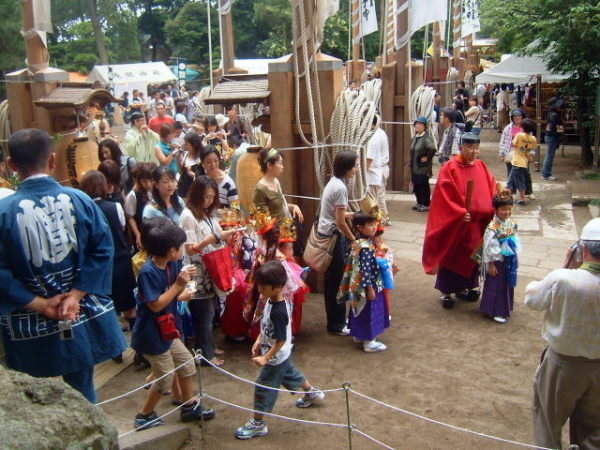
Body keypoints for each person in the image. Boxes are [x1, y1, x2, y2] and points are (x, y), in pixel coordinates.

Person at [0, 129, 125, 402]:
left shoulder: (5, 211)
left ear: (12, 165)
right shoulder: (80, 200)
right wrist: (77, 293)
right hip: (76, 310)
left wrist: (39, 303)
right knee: (83, 389)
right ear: (53, 160)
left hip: (28, 317)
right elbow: (103, 249)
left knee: (31, 396)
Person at [131, 217, 215, 430]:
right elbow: (155, 305)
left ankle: (188, 406)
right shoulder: (149, 272)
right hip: (151, 334)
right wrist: (179, 286)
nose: (181, 251)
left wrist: (182, 293)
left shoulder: (170, 265)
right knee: (164, 378)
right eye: (179, 248)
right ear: (171, 250)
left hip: (168, 331)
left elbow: (166, 298)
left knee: (186, 363)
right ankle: (144, 415)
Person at [524, 218, 600, 450]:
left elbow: (532, 299)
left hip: (563, 364)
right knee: (594, 426)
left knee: (548, 422)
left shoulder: (564, 279)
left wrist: (565, 267)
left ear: (582, 249)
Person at [234, 261, 325, 440]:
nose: (259, 289)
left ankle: (258, 423)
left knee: (263, 387)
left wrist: (265, 358)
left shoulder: (279, 311)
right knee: (289, 373)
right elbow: (266, 324)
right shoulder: (269, 300)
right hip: (278, 354)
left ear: (277, 287)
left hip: (275, 356)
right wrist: (260, 339)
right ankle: (311, 393)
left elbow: (281, 339)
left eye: (263, 286)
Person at [422, 131, 497, 309]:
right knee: (452, 254)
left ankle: (467, 286)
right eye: (470, 147)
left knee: (474, 255)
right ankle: (446, 291)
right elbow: (443, 196)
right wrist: (459, 212)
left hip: (477, 224)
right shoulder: (450, 167)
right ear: (461, 147)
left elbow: (491, 185)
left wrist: (497, 203)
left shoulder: (481, 166)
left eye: (477, 148)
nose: (474, 151)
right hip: (458, 224)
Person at [179, 176, 237, 366]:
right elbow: (189, 249)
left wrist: (227, 235)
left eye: (212, 197)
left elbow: (217, 236)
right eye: (206, 197)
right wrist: (210, 240)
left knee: (210, 312)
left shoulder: (207, 213)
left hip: (212, 269)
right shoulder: (188, 216)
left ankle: (208, 347)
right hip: (197, 272)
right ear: (196, 195)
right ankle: (205, 355)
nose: (209, 201)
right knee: (202, 313)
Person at [80, 171, 137, 331]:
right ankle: (139, 346)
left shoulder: (83, 211)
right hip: (121, 261)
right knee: (129, 305)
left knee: (107, 307)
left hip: (98, 266)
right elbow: (122, 227)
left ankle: (116, 349)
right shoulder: (115, 207)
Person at [317, 150, 358, 335]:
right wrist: (353, 239)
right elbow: (340, 222)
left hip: (326, 233)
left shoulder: (334, 182)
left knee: (332, 281)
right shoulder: (341, 188)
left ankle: (335, 321)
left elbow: (337, 215)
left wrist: (348, 214)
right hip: (333, 237)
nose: (357, 169)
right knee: (336, 282)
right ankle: (337, 324)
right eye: (355, 166)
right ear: (347, 168)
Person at [338, 212, 389, 352]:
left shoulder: (358, 242)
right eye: (371, 225)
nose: (374, 227)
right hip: (367, 286)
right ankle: (369, 341)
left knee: (358, 310)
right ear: (360, 228)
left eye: (375, 224)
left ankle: (359, 335)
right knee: (370, 311)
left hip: (357, 286)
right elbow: (365, 270)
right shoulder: (366, 247)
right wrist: (370, 288)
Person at [479, 191, 520, 324]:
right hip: (497, 261)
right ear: (496, 210)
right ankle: (495, 310)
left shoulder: (510, 222)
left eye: (509, 209)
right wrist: (490, 264)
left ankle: (504, 307)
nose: (507, 212)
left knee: (506, 285)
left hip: (509, 259)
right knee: (497, 285)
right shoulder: (493, 227)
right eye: (503, 209)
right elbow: (490, 246)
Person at [252, 147, 303, 224]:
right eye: (280, 163)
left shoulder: (276, 181)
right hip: (275, 233)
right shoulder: (259, 189)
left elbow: (280, 208)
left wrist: (293, 207)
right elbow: (262, 221)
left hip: (286, 229)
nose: (282, 167)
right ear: (269, 165)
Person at [124, 162, 156, 250]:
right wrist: (138, 234)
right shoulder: (134, 195)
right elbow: (130, 217)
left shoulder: (158, 190)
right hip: (143, 233)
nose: (148, 184)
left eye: (151, 180)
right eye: (144, 181)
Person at [366, 116, 391, 225]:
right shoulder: (381, 132)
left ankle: (382, 220)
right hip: (382, 168)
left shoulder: (373, 136)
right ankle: (384, 219)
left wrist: (363, 173)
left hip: (375, 171)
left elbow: (369, 158)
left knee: (376, 199)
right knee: (380, 197)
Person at [409, 116, 436, 212]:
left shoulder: (426, 138)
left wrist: (427, 158)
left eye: (420, 124)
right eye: (417, 124)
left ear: (424, 126)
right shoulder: (415, 138)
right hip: (414, 167)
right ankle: (419, 202)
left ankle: (425, 203)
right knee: (416, 185)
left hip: (422, 167)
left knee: (423, 185)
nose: (418, 126)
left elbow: (432, 149)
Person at [507, 118, 537, 205]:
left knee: (519, 180)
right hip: (524, 161)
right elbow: (532, 150)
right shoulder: (533, 138)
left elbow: (513, 143)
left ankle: (522, 198)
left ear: (522, 128)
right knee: (510, 180)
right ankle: (507, 196)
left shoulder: (519, 135)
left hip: (517, 161)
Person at [201, 145, 239, 209]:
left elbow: (235, 208)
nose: (213, 165)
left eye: (216, 161)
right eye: (208, 162)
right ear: (203, 163)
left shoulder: (227, 183)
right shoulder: (200, 180)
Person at [542, 96, 565, 181]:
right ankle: (546, 174)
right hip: (552, 137)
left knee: (549, 155)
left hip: (549, 136)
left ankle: (546, 173)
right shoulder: (554, 115)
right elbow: (554, 129)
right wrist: (557, 140)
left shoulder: (550, 113)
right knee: (549, 156)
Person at [177, 132, 204, 198]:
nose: (185, 146)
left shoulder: (201, 158)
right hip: (183, 189)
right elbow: (181, 173)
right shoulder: (186, 154)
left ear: (194, 144)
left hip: (194, 191)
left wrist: (191, 173)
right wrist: (178, 160)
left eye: (187, 144)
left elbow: (204, 178)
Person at [499, 109, 524, 178]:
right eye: (515, 116)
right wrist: (502, 153)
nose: (517, 118)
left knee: (520, 172)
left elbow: (530, 141)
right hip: (510, 151)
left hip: (521, 152)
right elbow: (502, 141)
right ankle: (511, 187)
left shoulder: (525, 128)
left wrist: (530, 153)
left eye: (519, 116)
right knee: (510, 172)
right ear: (512, 118)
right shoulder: (507, 128)